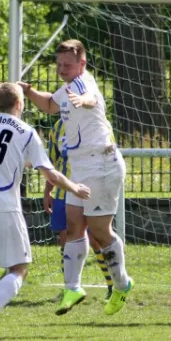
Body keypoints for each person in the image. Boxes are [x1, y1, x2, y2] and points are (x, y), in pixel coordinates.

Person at [20, 39, 133, 316]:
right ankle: (72, 288)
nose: (62, 69)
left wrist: (82, 101)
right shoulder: (67, 87)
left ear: (81, 64)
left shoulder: (84, 84)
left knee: (99, 231)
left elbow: (91, 98)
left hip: (102, 166)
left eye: (67, 65)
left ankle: (122, 283)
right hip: (80, 168)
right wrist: (30, 92)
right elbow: (49, 105)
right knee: (73, 226)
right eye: (58, 65)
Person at [0, 83, 90, 340]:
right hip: (4, 205)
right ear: (20, 104)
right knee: (19, 268)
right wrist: (74, 187)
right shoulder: (26, 132)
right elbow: (51, 174)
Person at [44, 118, 114, 301]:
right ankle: (70, 288)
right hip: (63, 192)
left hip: (92, 189)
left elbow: (110, 155)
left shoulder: (97, 123)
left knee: (96, 237)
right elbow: (52, 163)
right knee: (65, 238)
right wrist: (47, 191)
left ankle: (113, 285)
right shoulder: (58, 127)